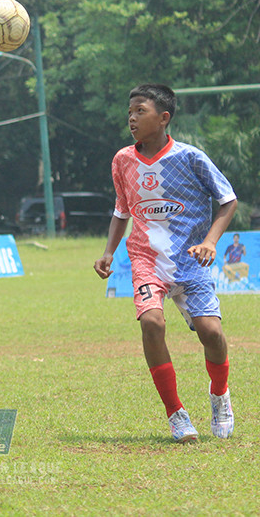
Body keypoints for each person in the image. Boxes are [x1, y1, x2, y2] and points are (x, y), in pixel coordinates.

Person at [94, 84, 238, 443]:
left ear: (163, 118)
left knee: (211, 333)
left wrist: (209, 241)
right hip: (146, 260)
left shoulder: (191, 158)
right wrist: (109, 251)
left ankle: (220, 394)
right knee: (151, 323)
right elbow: (122, 210)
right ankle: (176, 414)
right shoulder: (122, 160)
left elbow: (228, 200)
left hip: (190, 260)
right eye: (129, 111)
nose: (131, 118)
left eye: (140, 111)